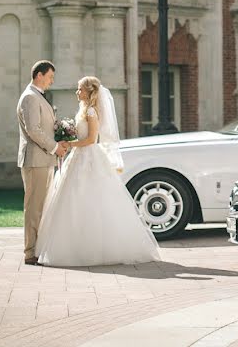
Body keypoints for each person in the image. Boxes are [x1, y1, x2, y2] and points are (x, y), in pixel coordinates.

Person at [35, 75, 161, 266]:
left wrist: (70, 143)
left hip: (89, 156)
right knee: (72, 198)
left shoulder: (92, 112)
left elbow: (91, 139)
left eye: (80, 89)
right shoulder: (83, 109)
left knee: (91, 199)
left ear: (89, 91)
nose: (77, 92)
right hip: (79, 157)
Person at [17, 60, 69, 266]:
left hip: (44, 159)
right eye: (50, 77)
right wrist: (55, 147)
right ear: (39, 75)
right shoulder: (30, 97)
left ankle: (37, 248)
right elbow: (34, 130)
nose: (51, 81)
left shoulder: (38, 97)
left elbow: (44, 128)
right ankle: (30, 253)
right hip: (35, 160)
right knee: (34, 207)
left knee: (41, 206)